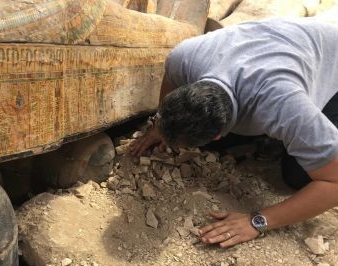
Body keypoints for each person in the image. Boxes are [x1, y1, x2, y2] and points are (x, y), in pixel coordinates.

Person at [131, 17, 338, 248]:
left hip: (331, 64)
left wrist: (257, 221)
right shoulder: (184, 57)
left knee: (297, 176)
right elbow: (171, 78)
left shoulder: (283, 105)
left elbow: (334, 182)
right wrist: (159, 127)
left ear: (219, 134)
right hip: (280, 44)